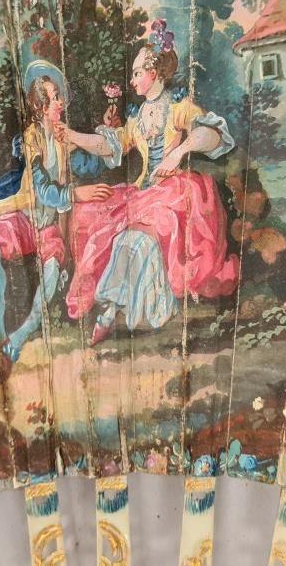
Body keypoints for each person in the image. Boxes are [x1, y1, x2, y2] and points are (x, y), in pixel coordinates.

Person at [62, 18, 240, 346]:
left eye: (136, 73)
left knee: (133, 241)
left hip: (174, 194)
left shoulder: (178, 107)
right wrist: (71, 135)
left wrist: (179, 152)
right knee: (97, 225)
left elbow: (214, 135)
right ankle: (116, 309)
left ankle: (110, 314)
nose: (131, 80)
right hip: (143, 193)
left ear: (154, 73)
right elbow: (109, 145)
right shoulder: (137, 117)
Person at [0, 61, 111, 384]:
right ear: (40, 106)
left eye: (59, 96)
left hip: (50, 225)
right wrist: (76, 194)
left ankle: (17, 339)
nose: (61, 102)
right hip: (25, 216)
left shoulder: (63, 137)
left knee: (51, 275)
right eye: (54, 97)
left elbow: (93, 164)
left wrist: (104, 133)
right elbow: (42, 189)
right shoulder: (31, 138)